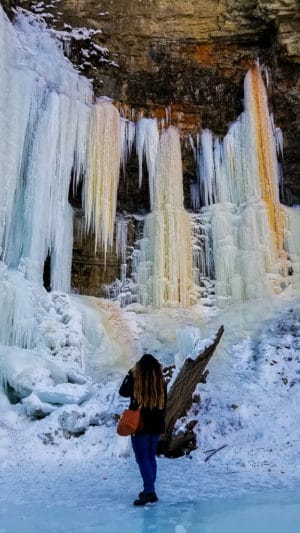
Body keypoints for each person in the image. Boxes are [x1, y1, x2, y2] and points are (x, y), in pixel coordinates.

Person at [119, 353, 167, 506]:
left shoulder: (135, 379)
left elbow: (123, 391)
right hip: (156, 424)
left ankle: (149, 491)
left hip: (140, 425)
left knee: (142, 458)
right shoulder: (160, 381)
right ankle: (150, 489)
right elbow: (165, 403)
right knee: (150, 457)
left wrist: (130, 373)